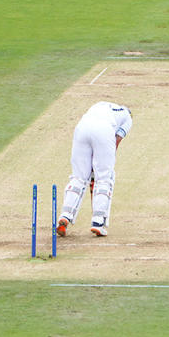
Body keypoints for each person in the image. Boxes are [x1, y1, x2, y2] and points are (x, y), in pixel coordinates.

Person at [57, 101, 132, 237]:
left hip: (82, 127)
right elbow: (116, 141)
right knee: (104, 178)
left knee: (78, 177)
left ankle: (65, 216)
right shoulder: (127, 117)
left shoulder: (101, 105)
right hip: (103, 130)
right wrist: (101, 163)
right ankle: (98, 222)